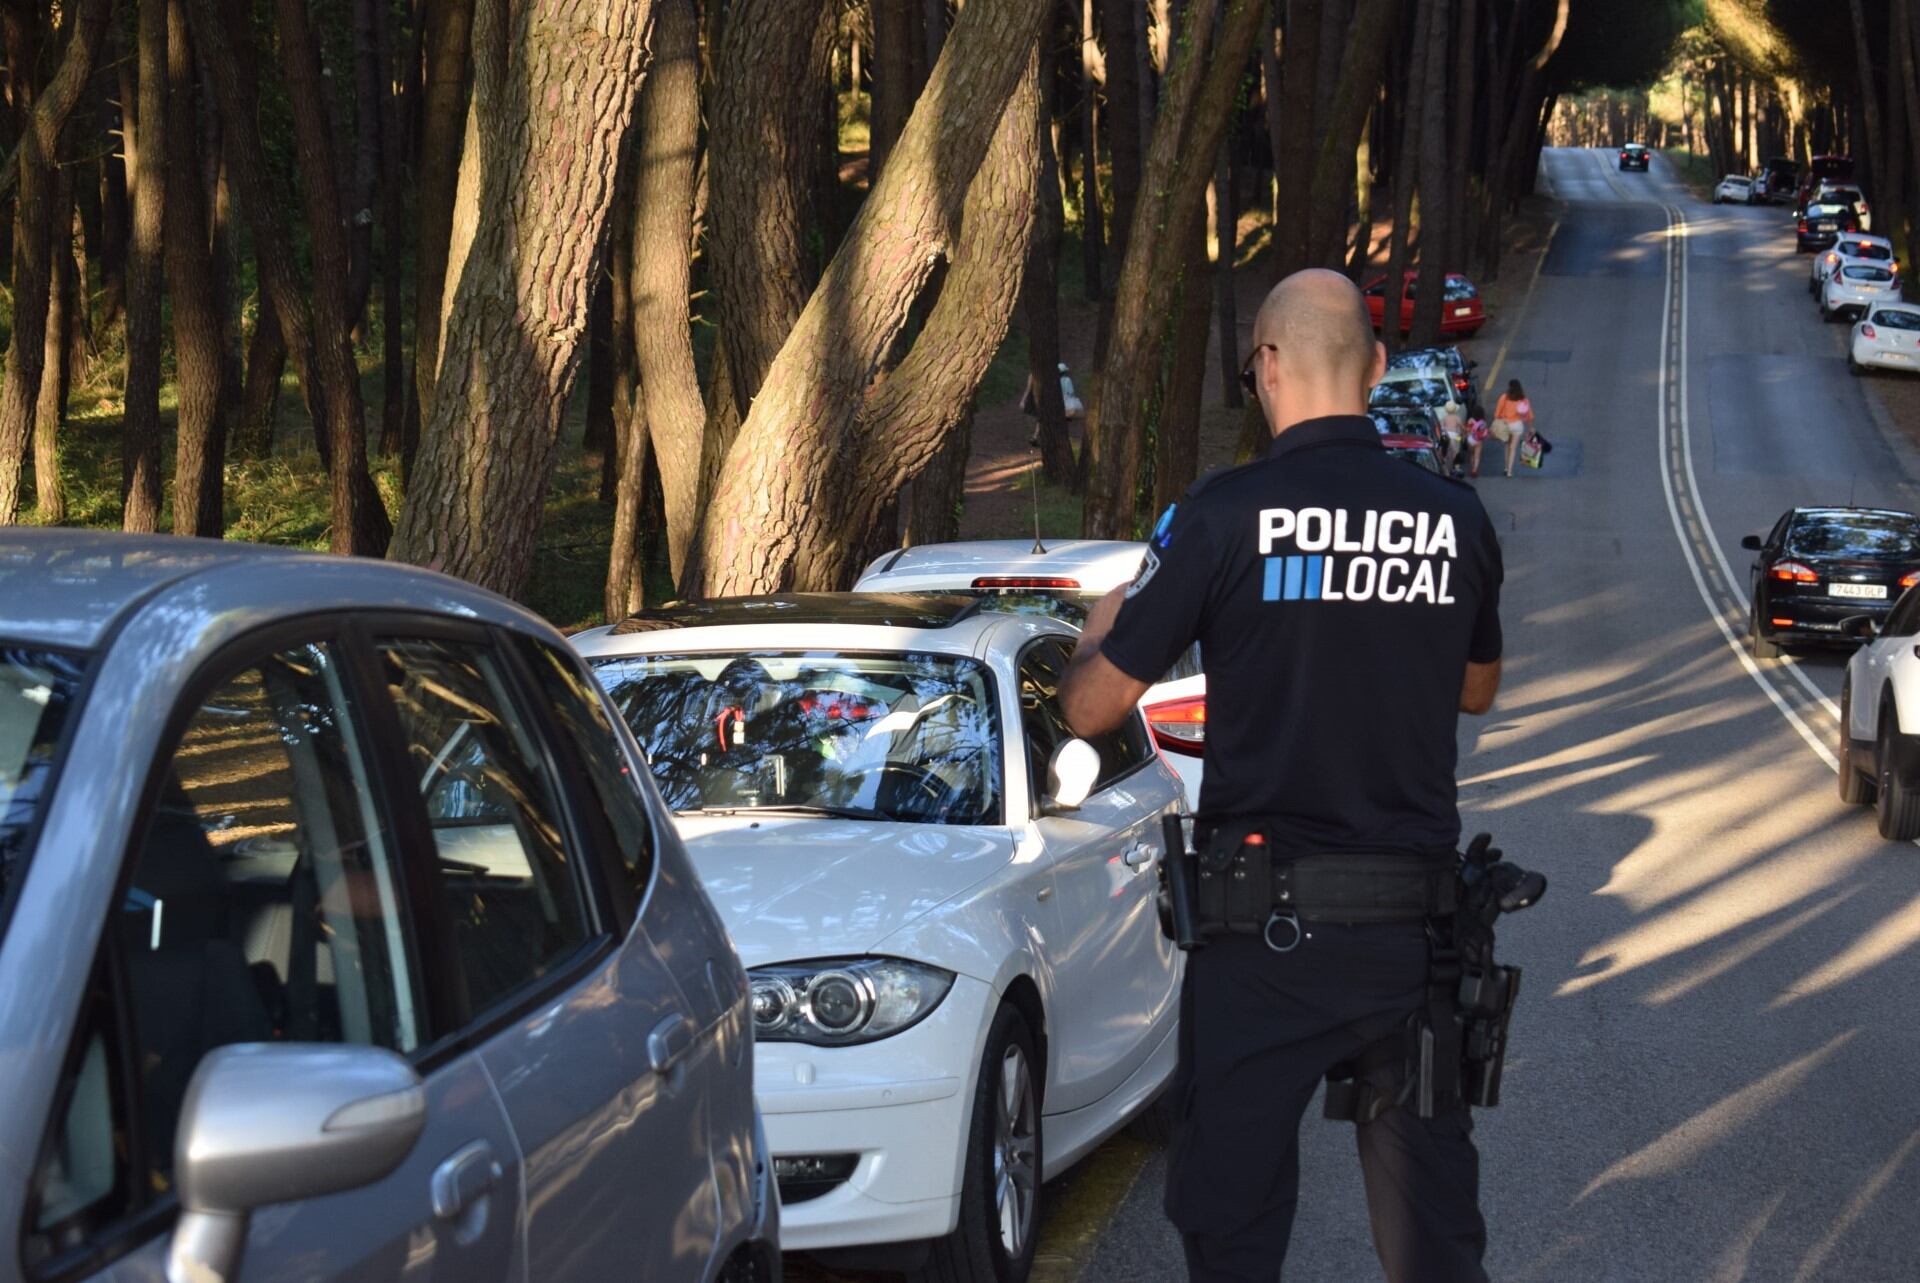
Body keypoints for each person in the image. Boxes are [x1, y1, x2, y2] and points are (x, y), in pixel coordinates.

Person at [1057, 268, 1505, 1283]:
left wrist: (1105, 624)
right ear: (1379, 368)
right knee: (1435, 1241)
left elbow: (1092, 707)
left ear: (1265, 365)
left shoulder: (1219, 517)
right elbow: (1478, 687)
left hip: (1261, 938)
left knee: (1234, 1231)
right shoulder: (1452, 516)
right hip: (1410, 937)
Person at [1490, 379, 1535, 478]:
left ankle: (1505, 468)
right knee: (1513, 448)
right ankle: (1510, 471)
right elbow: (1529, 416)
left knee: (1507, 445)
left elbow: (1497, 414)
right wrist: (1531, 428)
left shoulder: (1504, 397)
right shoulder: (1523, 400)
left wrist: (1500, 418)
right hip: (1517, 425)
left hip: (1506, 424)